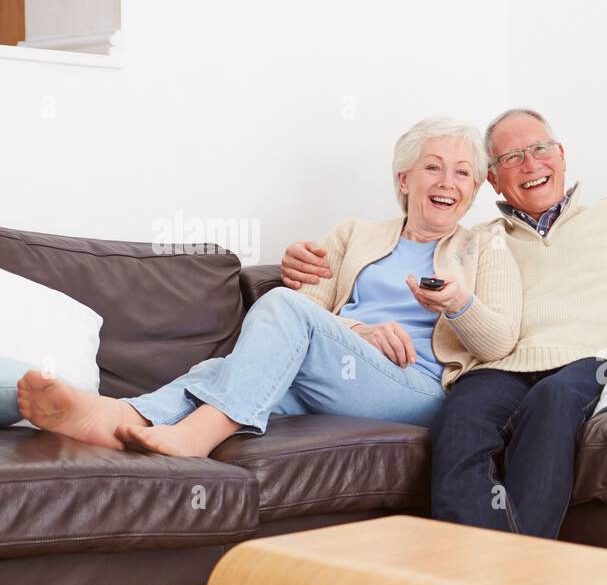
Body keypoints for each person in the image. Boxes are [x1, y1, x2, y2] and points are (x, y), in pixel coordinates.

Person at [279, 108, 607, 538]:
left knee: (553, 400)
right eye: (511, 159)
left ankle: (517, 577)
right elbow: (394, 266)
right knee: (460, 420)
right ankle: (482, 573)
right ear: (491, 180)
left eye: (539, 150)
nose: (530, 165)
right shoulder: (478, 240)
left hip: (595, 362)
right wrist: (306, 267)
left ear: (561, 154)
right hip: (502, 366)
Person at [18, 115, 521, 458]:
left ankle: (197, 436)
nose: (446, 182)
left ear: (473, 190)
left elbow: (499, 342)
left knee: (276, 308)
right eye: (432, 167)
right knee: (229, 368)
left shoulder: (488, 246)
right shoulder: (353, 235)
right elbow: (310, 310)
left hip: (417, 388)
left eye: (462, 173)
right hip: (341, 373)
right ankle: (114, 416)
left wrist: (458, 303)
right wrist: (355, 332)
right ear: (404, 178)